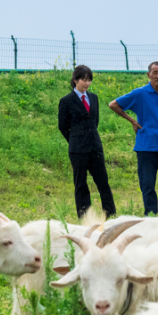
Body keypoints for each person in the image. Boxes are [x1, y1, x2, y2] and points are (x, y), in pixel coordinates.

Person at [109, 62, 158, 215]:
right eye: (155, 72)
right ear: (148, 75)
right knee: (148, 185)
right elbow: (113, 105)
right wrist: (132, 120)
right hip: (146, 147)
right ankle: (151, 217)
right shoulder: (139, 94)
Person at [58, 65, 117, 219]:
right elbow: (63, 126)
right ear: (75, 80)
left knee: (103, 181)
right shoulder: (66, 101)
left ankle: (110, 213)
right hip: (78, 149)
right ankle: (85, 216)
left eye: (89, 80)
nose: (87, 83)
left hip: (95, 146)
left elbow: (95, 121)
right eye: (84, 80)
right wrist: (75, 140)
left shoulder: (94, 98)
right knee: (81, 183)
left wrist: (90, 138)